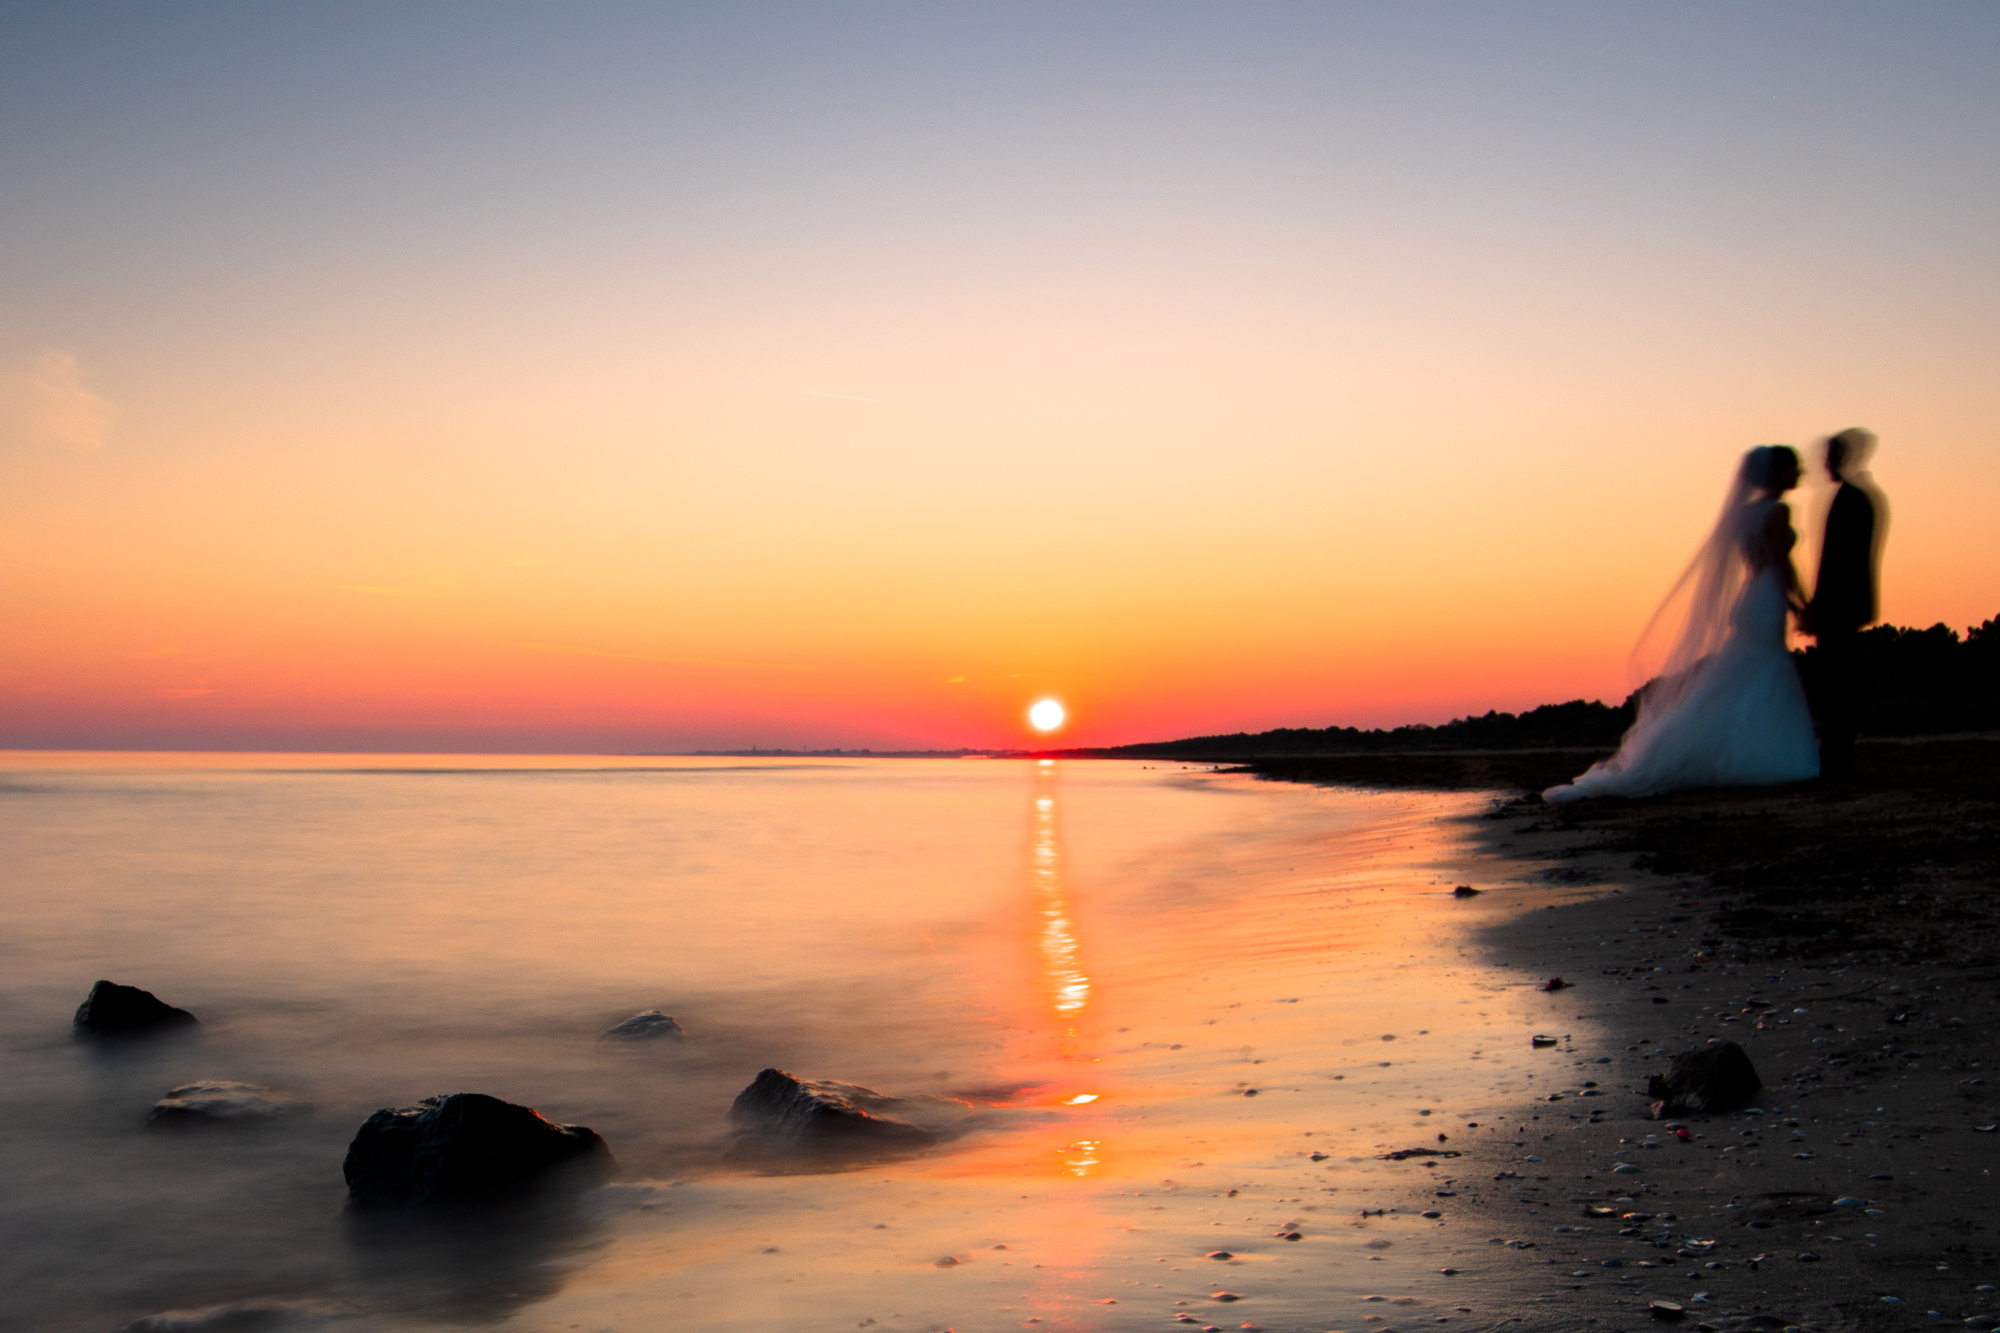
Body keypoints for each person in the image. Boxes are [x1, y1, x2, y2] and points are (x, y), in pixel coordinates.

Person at [1544, 445, 1820, 802]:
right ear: (1777, 473)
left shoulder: (1745, 515)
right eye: (1793, 468)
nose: (1799, 473)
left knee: (1747, 673)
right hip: (1767, 597)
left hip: (1750, 596)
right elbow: (1782, 565)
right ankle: (1764, 756)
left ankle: (1730, 748)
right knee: (1765, 671)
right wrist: (1801, 606)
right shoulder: (1777, 511)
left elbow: (1754, 562)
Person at [1802, 428, 1884, 781]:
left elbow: (1838, 561)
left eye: (1830, 456)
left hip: (1840, 607)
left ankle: (1836, 761)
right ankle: (1836, 759)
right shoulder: (1861, 498)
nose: (1825, 464)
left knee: (1837, 686)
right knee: (1838, 685)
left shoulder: (1853, 499)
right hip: (1845, 605)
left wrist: (1818, 606)